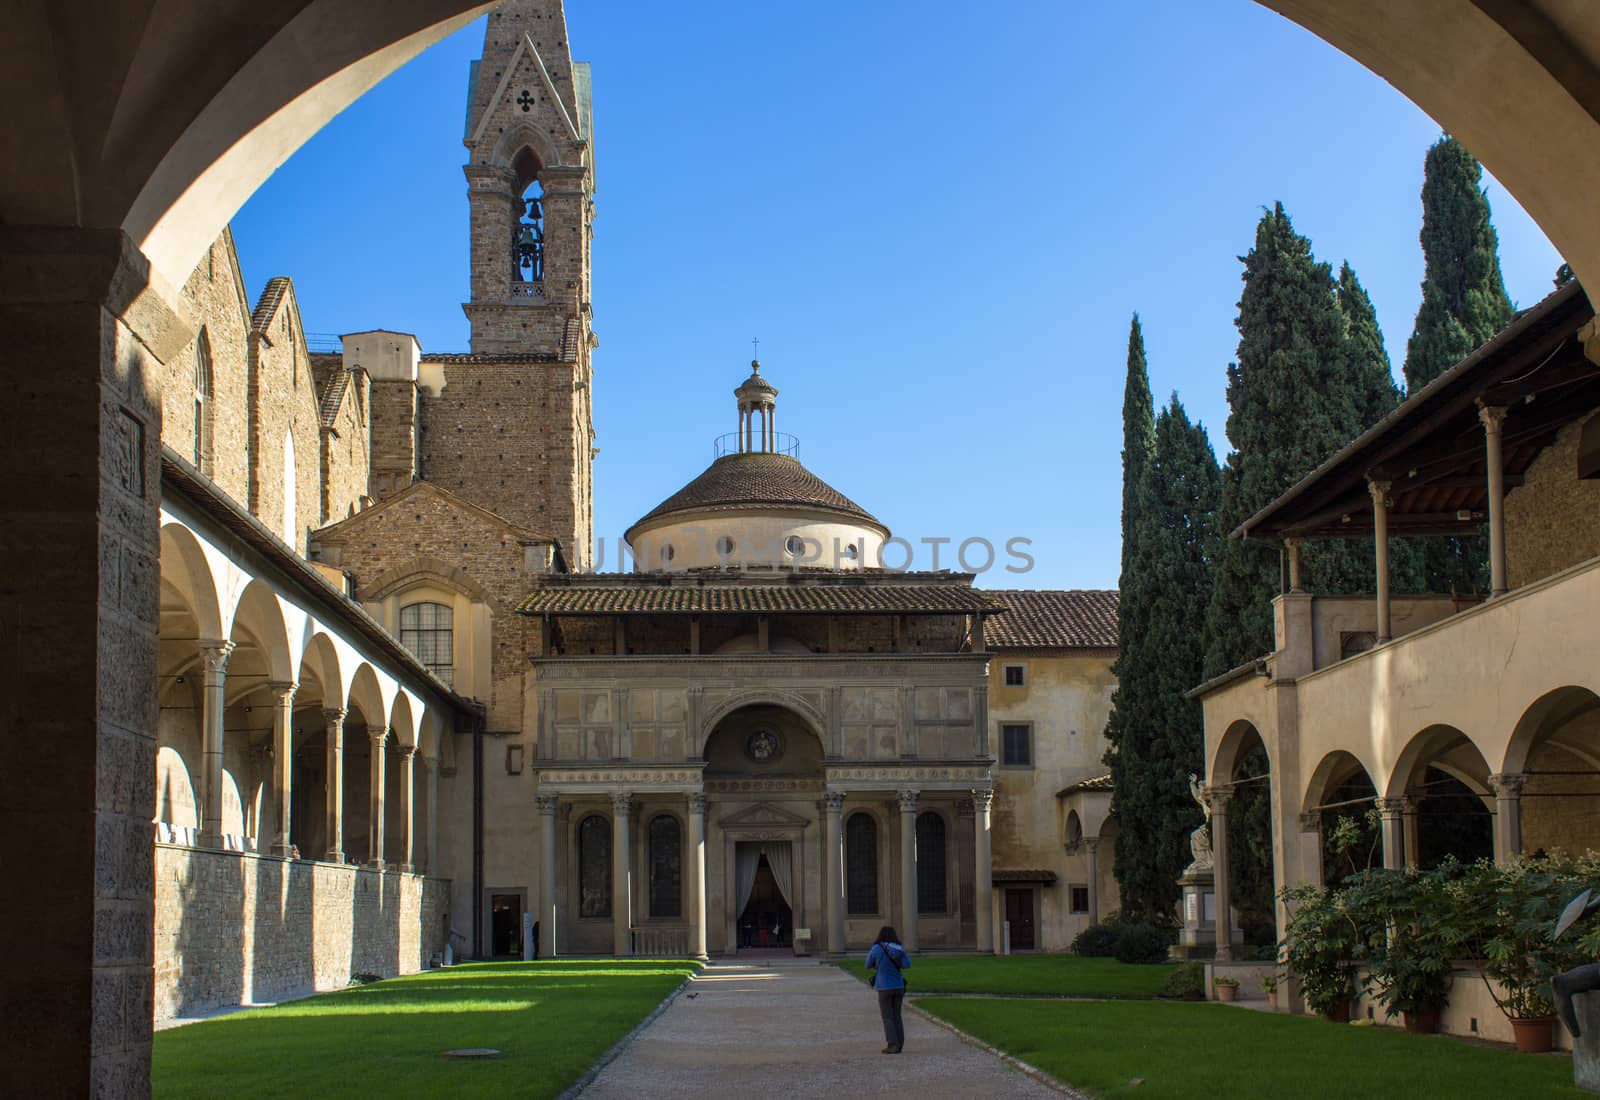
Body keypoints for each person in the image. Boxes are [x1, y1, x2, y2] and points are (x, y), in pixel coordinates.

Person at [865, 925, 911, 1054]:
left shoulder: (877, 948)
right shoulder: (899, 948)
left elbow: (867, 964)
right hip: (899, 986)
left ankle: (892, 1044)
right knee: (897, 1015)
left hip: (884, 986)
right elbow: (907, 964)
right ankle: (900, 1044)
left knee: (887, 1017)